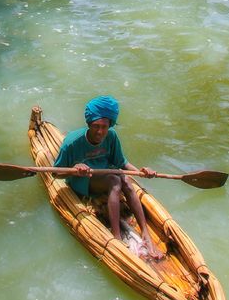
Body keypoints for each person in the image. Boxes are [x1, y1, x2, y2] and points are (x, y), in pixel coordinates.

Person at [53, 95, 162, 260]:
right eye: (96, 126)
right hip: (82, 181)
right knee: (115, 180)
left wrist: (141, 172)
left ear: (109, 125)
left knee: (125, 179)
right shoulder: (72, 143)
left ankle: (145, 233)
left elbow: (121, 162)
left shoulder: (111, 137)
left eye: (104, 127)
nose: (100, 132)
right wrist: (75, 170)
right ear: (89, 124)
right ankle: (117, 237)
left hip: (105, 175)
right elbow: (56, 172)